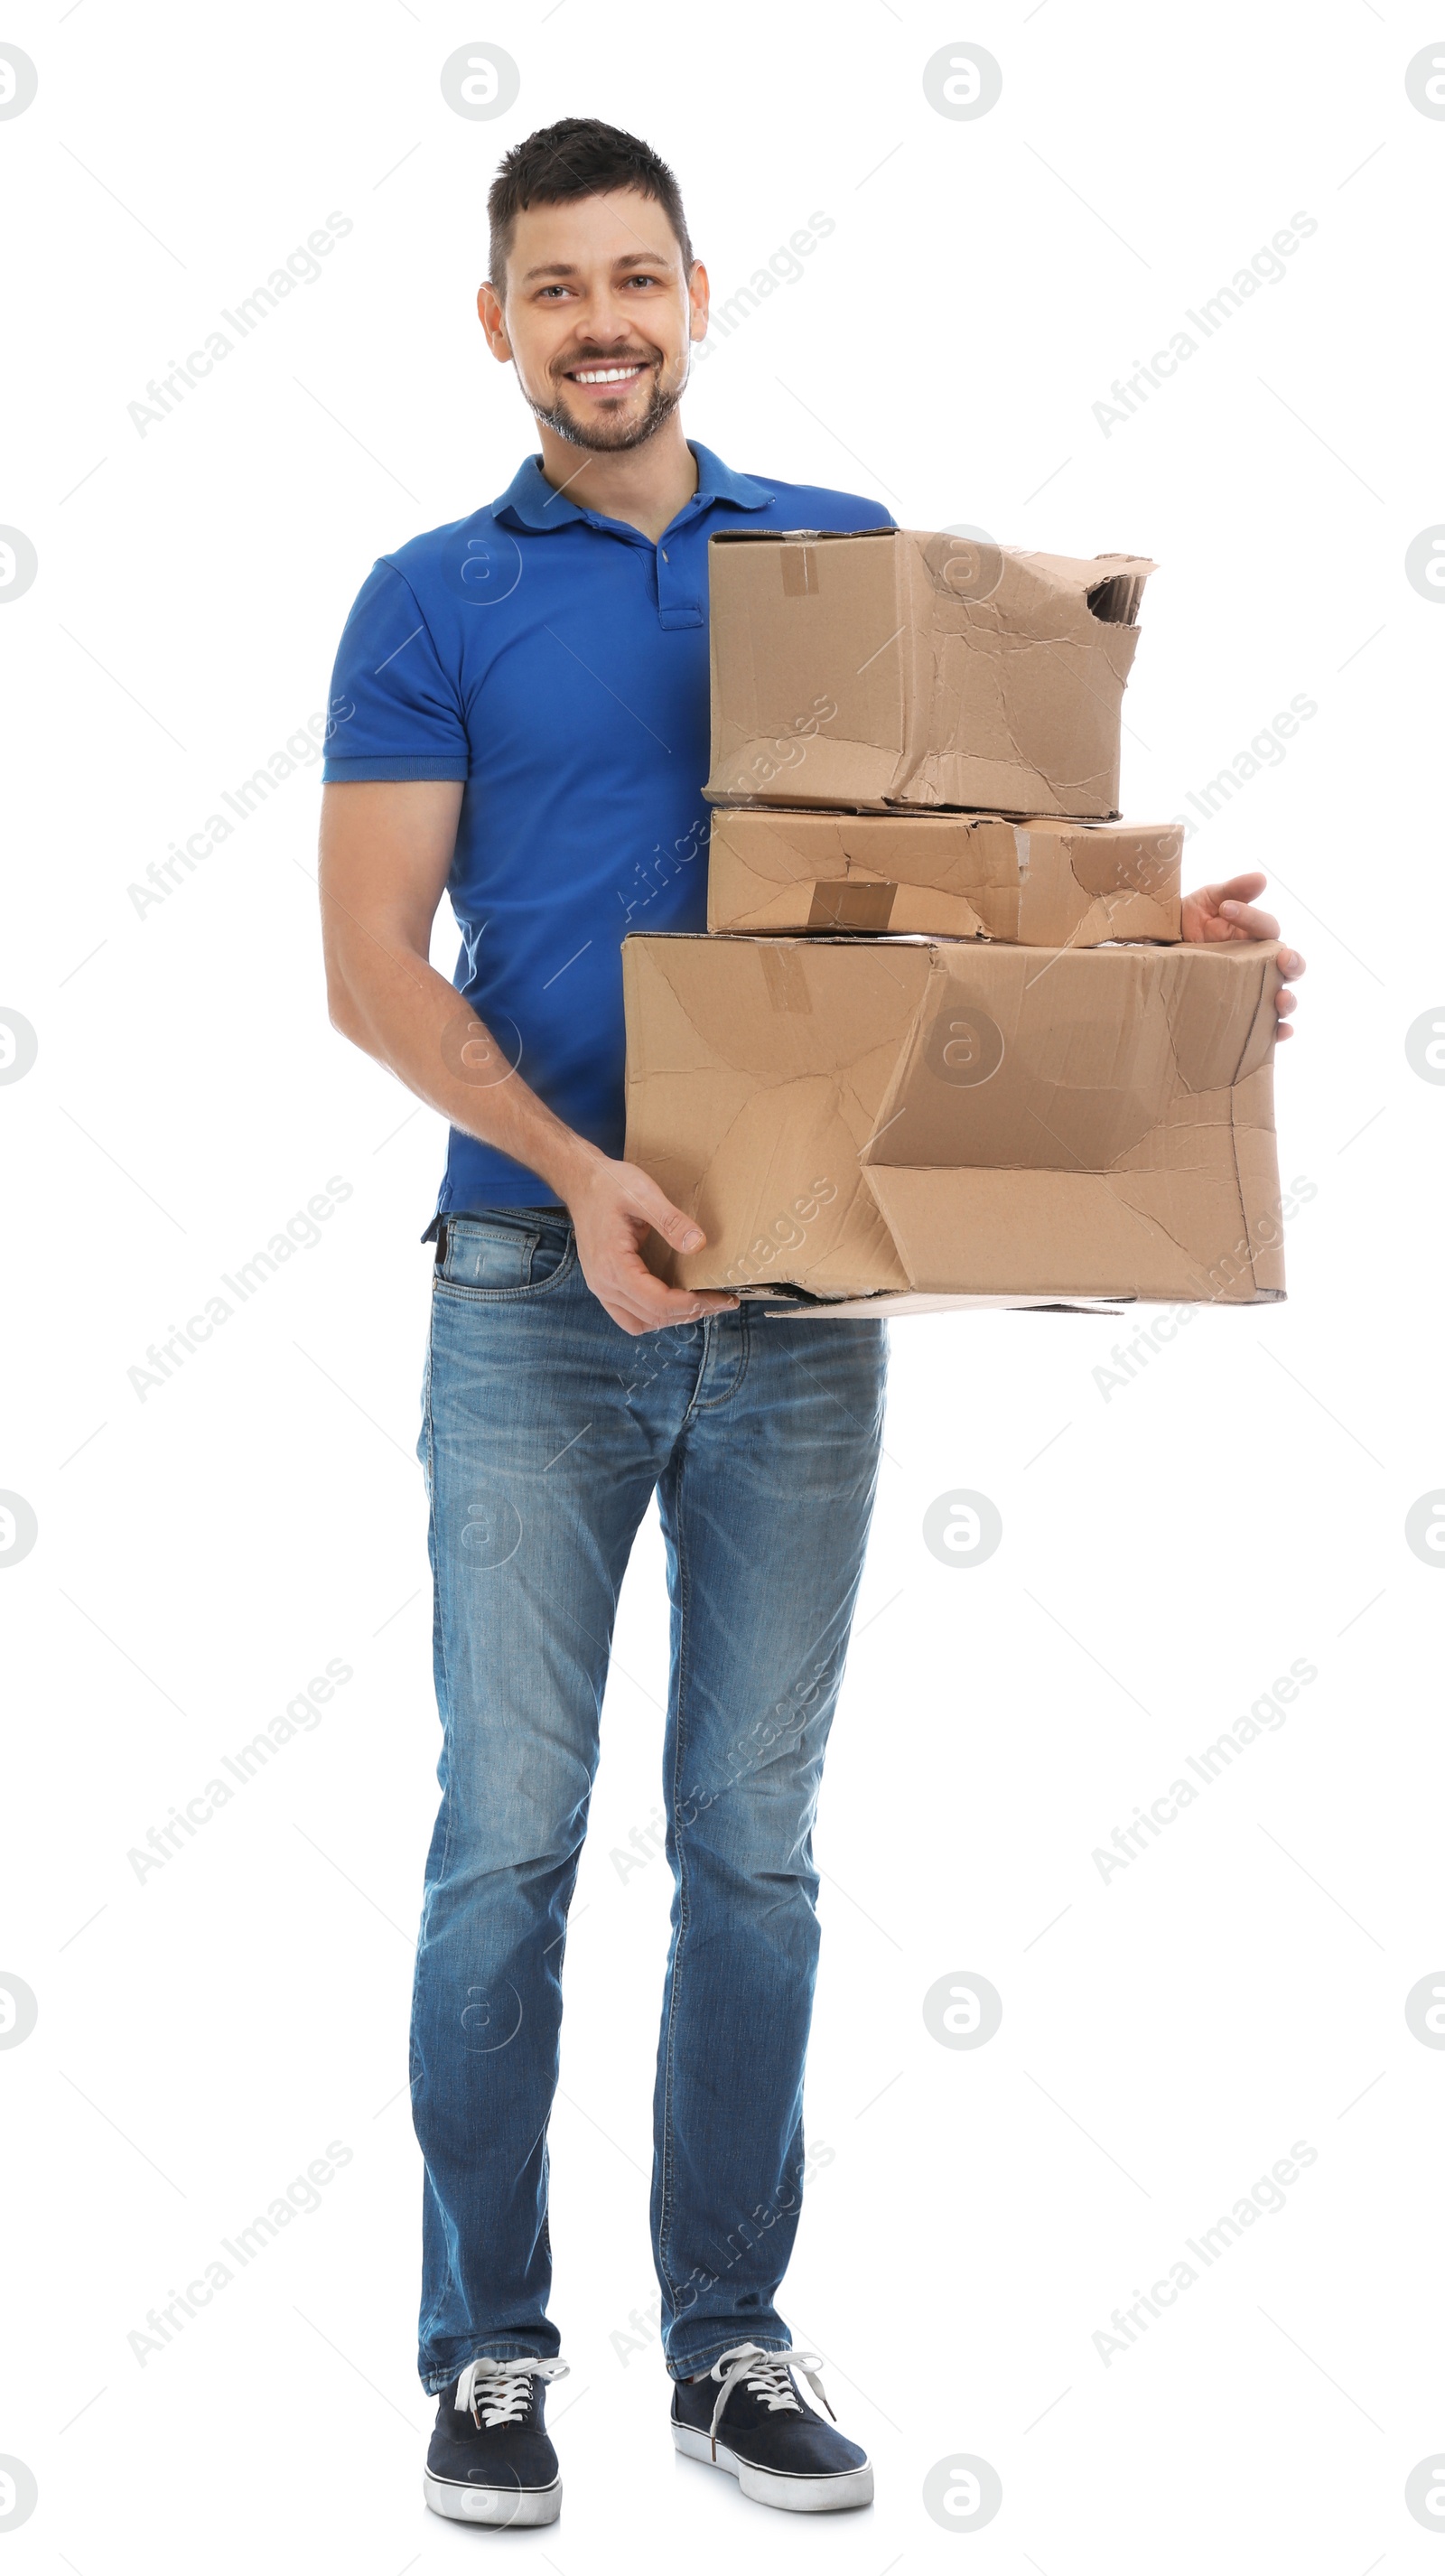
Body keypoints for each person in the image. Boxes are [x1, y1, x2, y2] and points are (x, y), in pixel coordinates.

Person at [317, 117, 1304, 2529]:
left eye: (634, 277)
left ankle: (730, 2332)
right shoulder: (430, 595)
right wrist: (580, 1175)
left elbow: (965, 919)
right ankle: (489, 2347)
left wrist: (1157, 984)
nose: (602, 324)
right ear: (497, 328)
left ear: (698, 294)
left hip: (798, 1300)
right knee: (506, 1842)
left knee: (753, 1844)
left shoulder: (840, 566)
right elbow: (366, 969)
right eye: (554, 290)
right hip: (530, 1292)